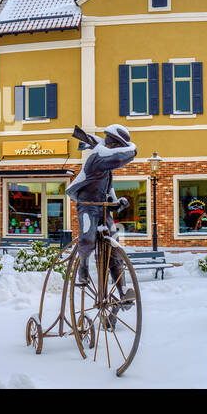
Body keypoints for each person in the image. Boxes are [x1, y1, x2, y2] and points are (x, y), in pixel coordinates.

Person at [66, 125, 136, 296]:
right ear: (113, 144)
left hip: (103, 207)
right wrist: (133, 149)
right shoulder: (97, 157)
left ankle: (123, 290)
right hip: (88, 205)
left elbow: (107, 190)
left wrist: (116, 203)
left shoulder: (106, 166)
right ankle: (83, 269)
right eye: (119, 145)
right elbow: (120, 158)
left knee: (114, 247)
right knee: (88, 237)